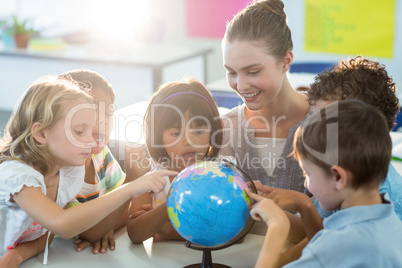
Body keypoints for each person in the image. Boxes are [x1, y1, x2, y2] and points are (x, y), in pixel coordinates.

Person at [0, 76, 176, 268]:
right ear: (41, 134)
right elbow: (62, 225)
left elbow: (46, 235)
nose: (92, 142)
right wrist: (130, 188)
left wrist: (17, 255)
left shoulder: (68, 173)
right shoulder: (19, 176)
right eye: (79, 132)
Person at [248, 100, 402, 268]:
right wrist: (303, 204)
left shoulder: (337, 245)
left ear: (338, 178)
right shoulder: (390, 221)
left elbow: (327, 249)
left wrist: (277, 226)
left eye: (307, 174)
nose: (306, 184)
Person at [221, 0, 313, 192]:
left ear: (285, 61)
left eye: (253, 72)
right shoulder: (226, 130)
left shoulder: (326, 121)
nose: (241, 85)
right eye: (231, 72)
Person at [126, 78, 224, 243]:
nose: (189, 140)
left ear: (213, 132)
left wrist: (167, 229)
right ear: (158, 137)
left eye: (199, 131)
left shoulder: (222, 172)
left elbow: (237, 232)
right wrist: (170, 205)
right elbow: (135, 234)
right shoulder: (151, 177)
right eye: (176, 133)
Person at [60, 70, 129, 254]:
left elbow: (129, 208)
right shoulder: (59, 169)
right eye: (91, 113)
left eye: (108, 114)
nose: (103, 122)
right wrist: (104, 225)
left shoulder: (102, 156)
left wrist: (107, 227)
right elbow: (85, 231)